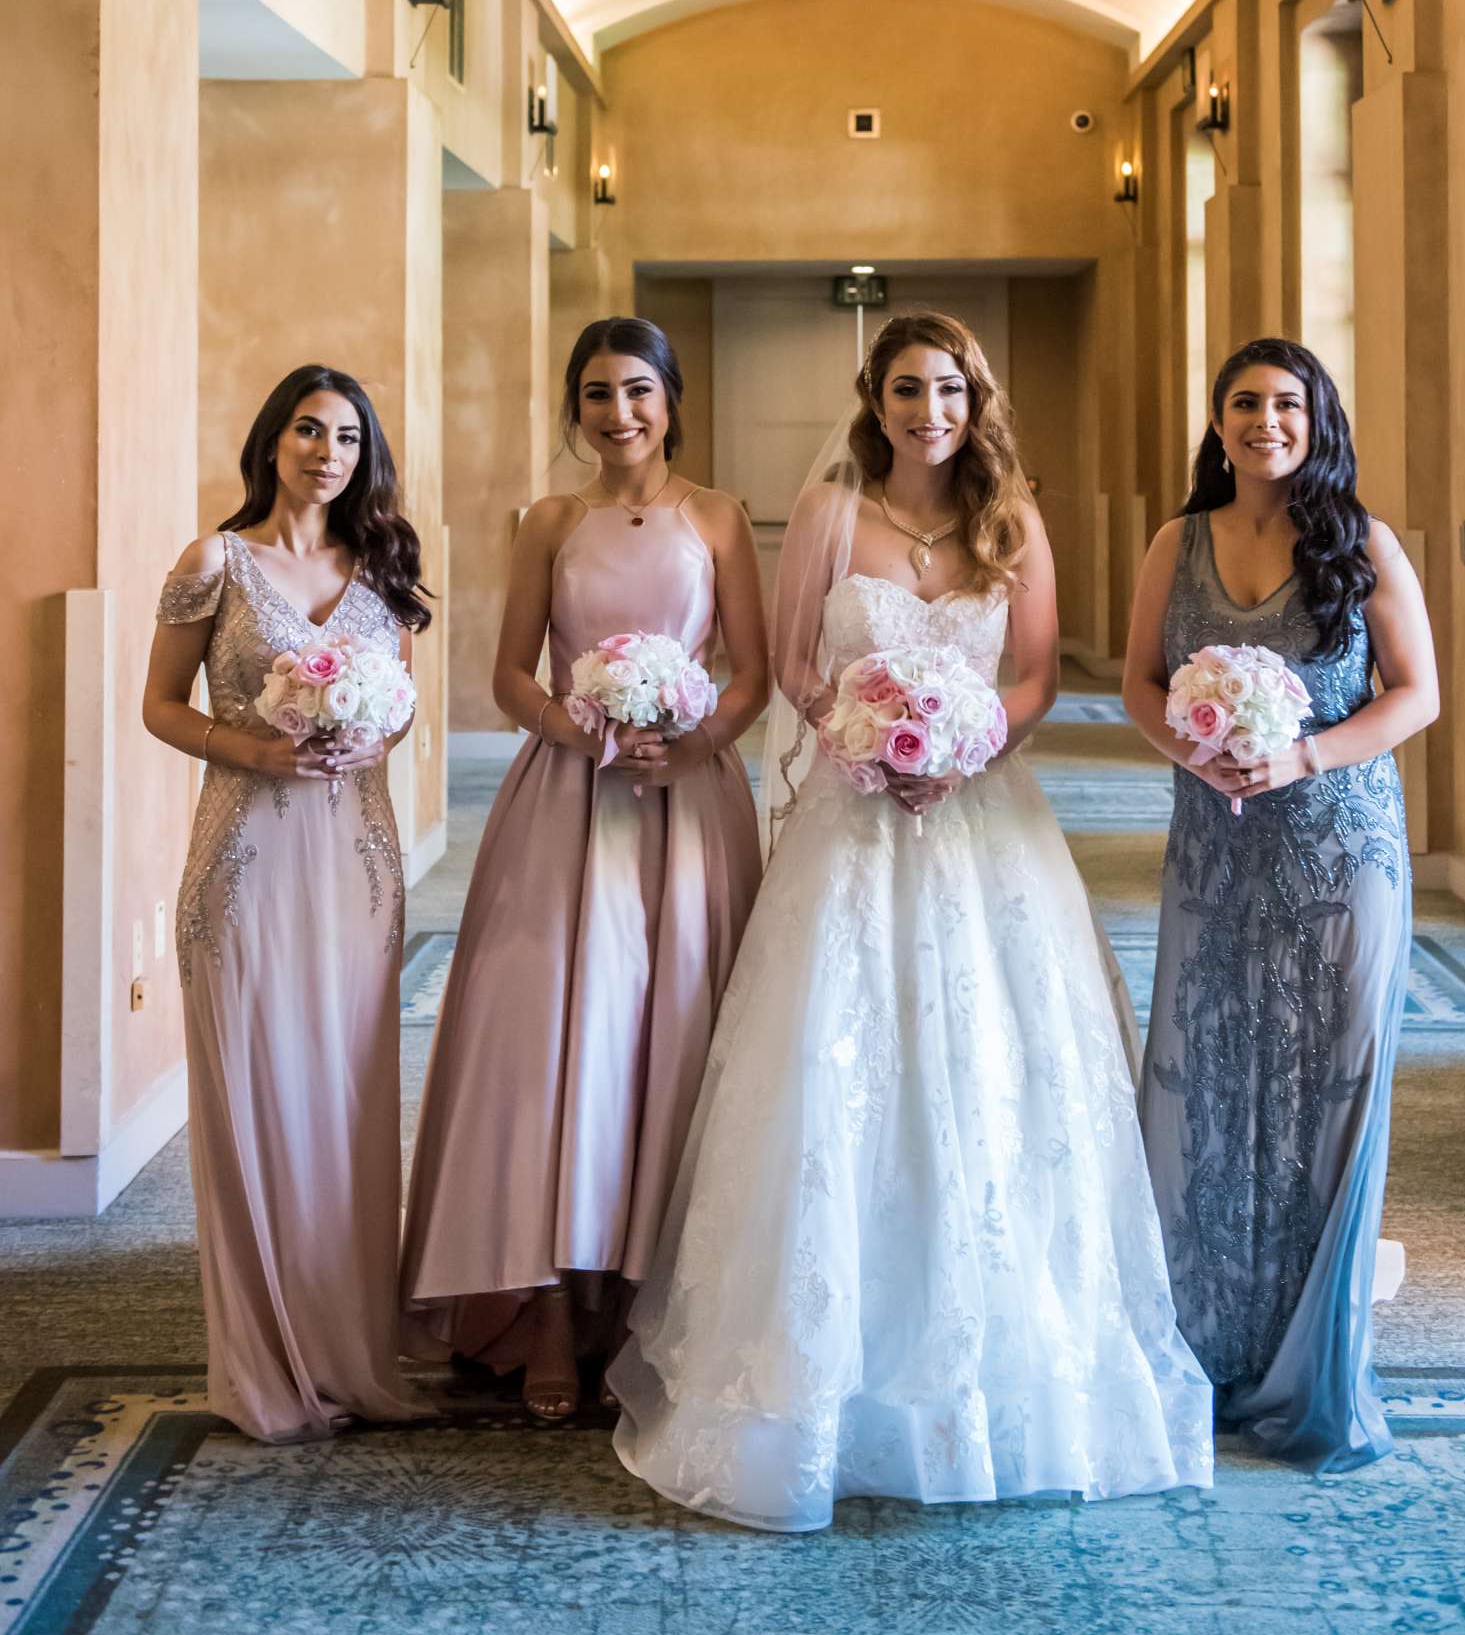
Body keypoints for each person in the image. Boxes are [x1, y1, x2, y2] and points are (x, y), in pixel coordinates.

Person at [611, 311, 1212, 1529]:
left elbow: (1036, 675)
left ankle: (995, 1368)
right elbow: (789, 663)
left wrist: (967, 735)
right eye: (903, 389)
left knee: (995, 1073)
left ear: (971, 398)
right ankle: (814, 1373)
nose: (925, 410)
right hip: (853, 817)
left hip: (983, 819)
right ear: (872, 399)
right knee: (838, 1070)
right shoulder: (832, 516)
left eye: (945, 389)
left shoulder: (1012, 521)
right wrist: (862, 737)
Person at [400, 318, 767, 1419]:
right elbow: (508, 673)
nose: (620, 414)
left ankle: (644, 1308)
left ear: (672, 400)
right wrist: (579, 727)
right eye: (599, 394)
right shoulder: (548, 522)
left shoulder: (719, 518)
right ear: (576, 409)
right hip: (565, 797)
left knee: (673, 1040)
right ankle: (552, 1308)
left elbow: (747, 673)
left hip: (687, 802)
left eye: (639, 392)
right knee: (558, 1043)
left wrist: (691, 742)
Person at [1122, 336, 1439, 1471]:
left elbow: (1417, 695)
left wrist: (1303, 760)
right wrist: (1195, 751)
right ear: (1217, 425)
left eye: (1287, 405)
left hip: (1341, 853)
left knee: (1324, 1099)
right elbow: (1136, 685)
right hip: (1214, 850)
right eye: (1245, 403)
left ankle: (1312, 1369)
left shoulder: (1363, 541)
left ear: (1318, 421)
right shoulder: (1178, 541)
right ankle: (1210, 1350)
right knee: (1211, 1091)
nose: (1266, 422)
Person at [143, 365, 430, 1442]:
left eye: (348, 437)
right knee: (253, 1100)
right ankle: (263, 1366)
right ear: (272, 442)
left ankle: (350, 1351)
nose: (327, 452)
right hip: (246, 860)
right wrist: (253, 746)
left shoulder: (385, 562)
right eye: (308, 430)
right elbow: (159, 707)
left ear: (365, 455)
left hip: (356, 860)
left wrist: (371, 733)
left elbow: (396, 709)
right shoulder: (214, 561)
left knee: (348, 1103)